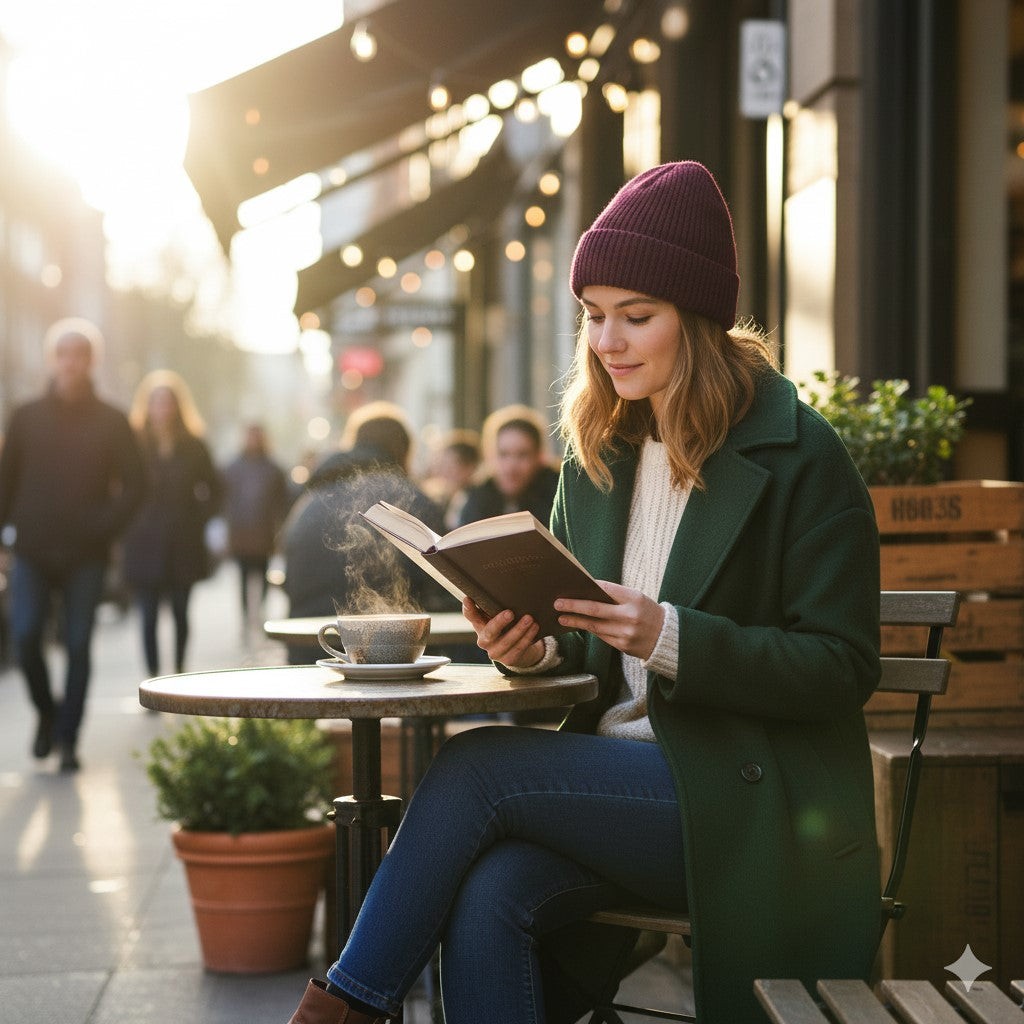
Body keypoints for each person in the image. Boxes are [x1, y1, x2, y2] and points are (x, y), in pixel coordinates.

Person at [282, 162, 882, 1024]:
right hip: (621, 784)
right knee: (493, 890)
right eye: (595, 317)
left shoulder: (801, 455)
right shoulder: (600, 456)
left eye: (638, 317)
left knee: (475, 768)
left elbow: (841, 666)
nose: (609, 342)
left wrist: (669, 634)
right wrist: (528, 646)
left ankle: (344, 1007)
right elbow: (583, 644)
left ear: (699, 320)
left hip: (745, 800)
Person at [0, 318, 146, 771]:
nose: (70, 363)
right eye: (63, 354)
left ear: (90, 362)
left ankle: (68, 738)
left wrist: (103, 526)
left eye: (79, 355)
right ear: (52, 360)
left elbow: (136, 486)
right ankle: (48, 712)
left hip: (86, 554)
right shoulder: (25, 418)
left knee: (79, 645)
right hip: (33, 550)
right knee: (25, 638)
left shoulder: (112, 421)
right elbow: (6, 483)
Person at [280, 402, 456, 663]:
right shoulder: (413, 502)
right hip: (390, 666)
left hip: (308, 653)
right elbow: (445, 585)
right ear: (404, 450)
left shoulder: (310, 500)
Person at [121, 370, 220, 678]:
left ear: (178, 405)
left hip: (183, 541)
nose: (162, 408)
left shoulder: (194, 444)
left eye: (167, 401)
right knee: (147, 615)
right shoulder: (133, 443)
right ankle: (152, 676)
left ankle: (178, 671)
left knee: (180, 612)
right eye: (156, 401)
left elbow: (215, 489)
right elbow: (117, 485)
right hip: (143, 540)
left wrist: (198, 518)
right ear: (146, 405)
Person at [221, 422, 290, 629]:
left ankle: (259, 612)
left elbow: (281, 502)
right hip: (241, 532)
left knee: (263, 574)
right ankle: (245, 615)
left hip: (263, 533)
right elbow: (225, 499)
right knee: (242, 577)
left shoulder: (273, 469)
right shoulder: (232, 468)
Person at [456, 405, 559, 527]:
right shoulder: (477, 498)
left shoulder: (557, 497)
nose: (511, 467)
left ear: (539, 456)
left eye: (522, 455)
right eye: (503, 454)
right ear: (490, 455)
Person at [420, 428, 481, 531]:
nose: (443, 472)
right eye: (443, 465)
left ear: (469, 467)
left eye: (450, 466)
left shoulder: (477, 501)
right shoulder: (444, 499)